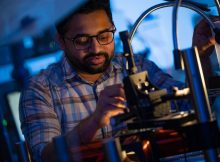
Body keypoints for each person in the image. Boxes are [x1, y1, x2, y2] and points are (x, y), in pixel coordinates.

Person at [19, 0, 213, 162]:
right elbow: (47, 156)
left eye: (104, 36)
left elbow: (194, 104)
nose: (96, 49)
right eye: (82, 40)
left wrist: (201, 56)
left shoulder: (136, 65)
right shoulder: (39, 89)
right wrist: (95, 120)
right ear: (61, 41)